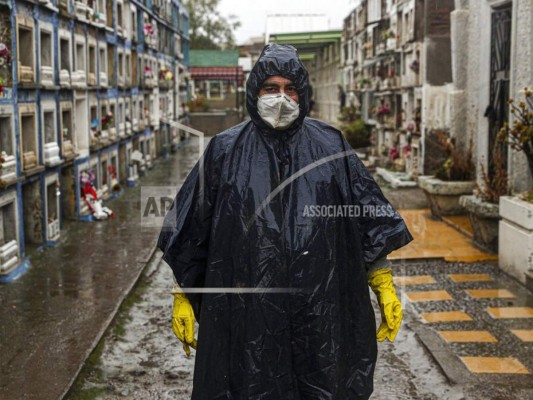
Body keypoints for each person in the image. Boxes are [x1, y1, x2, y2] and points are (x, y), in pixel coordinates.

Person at [158, 44, 413, 400]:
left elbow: (365, 219)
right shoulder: (224, 151)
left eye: (290, 88)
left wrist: (382, 280)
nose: (281, 98)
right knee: (249, 384)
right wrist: (182, 294)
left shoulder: (331, 146)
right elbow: (190, 230)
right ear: (255, 92)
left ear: (303, 92)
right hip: (248, 317)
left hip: (320, 313)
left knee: (322, 384)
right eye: (271, 88)